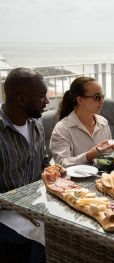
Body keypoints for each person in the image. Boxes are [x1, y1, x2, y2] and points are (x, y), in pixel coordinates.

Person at [0, 67, 49, 263]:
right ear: (22, 100)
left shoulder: (36, 124)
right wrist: (17, 204)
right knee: (45, 230)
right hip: (5, 212)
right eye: (42, 96)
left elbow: (43, 162)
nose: (47, 101)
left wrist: (52, 170)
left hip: (34, 204)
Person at [50, 76, 114, 167]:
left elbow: (106, 158)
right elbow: (61, 164)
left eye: (102, 96)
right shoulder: (62, 129)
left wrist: (111, 154)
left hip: (97, 177)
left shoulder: (103, 122)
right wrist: (89, 155)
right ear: (80, 100)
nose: (102, 101)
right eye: (97, 97)